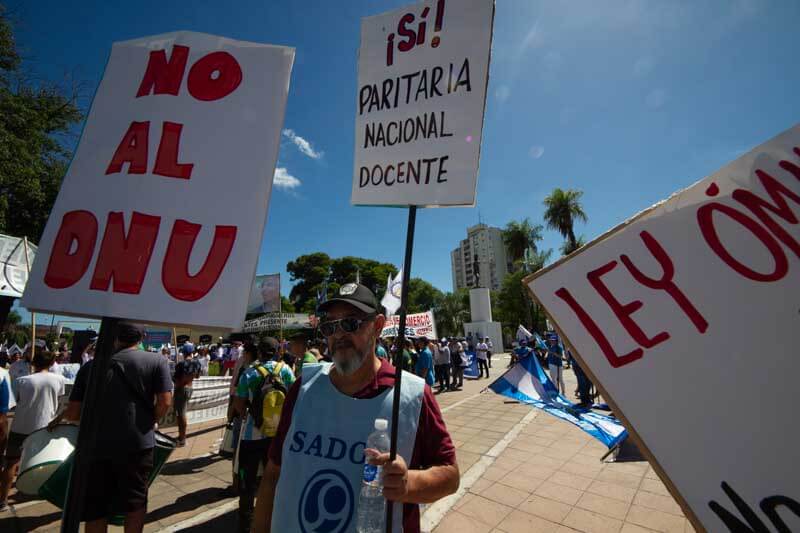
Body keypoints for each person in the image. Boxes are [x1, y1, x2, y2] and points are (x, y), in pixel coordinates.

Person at [253, 283, 459, 533]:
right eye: (330, 326)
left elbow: (450, 476)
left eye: (351, 323)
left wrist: (410, 483)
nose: (338, 335)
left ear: (378, 325)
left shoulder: (412, 396)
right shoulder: (302, 388)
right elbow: (274, 473)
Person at [49, 322, 173, 533]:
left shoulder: (91, 366)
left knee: (96, 507)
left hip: (96, 445)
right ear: (141, 338)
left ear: (114, 337)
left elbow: (73, 412)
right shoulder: (158, 361)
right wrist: (147, 420)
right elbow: (165, 402)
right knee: (135, 502)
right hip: (137, 443)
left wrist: (60, 418)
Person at [233, 339, 294, 533]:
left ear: (259, 352)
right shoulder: (285, 370)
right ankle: (274, 519)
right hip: (277, 437)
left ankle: (245, 523)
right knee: (275, 479)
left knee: (247, 481)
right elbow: (293, 398)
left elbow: (239, 405)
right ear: (277, 351)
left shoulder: (249, 372)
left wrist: (248, 416)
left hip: (252, 436)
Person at [0, 348, 65, 511]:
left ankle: (3, 500)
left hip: (20, 426)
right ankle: (38, 490)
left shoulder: (21, 381)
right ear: (51, 363)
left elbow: (13, 403)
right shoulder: (59, 380)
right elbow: (59, 400)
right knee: (41, 462)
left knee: (11, 463)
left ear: (34, 362)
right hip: (45, 426)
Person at [173, 348, 201, 447]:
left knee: (181, 415)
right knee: (181, 414)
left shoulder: (181, 364)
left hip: (181, 389)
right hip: (189, 388)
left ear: (184, 353)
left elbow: (176, 379)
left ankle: (182, 439)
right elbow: (197, 376)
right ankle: (182, 436)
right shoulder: (197, 363)